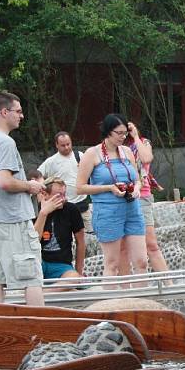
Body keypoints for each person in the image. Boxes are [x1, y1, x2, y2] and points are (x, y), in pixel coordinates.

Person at [0, 91, 46, 306]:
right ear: (4, 112)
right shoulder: (5, 143)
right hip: (12, 219)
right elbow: (5, 182)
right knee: (32, 277)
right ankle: (40, 334)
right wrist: (31, 186)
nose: (22, 116)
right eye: (18, 111)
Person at [76, 114, 147, 285]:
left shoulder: (128, 151)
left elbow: (138, 179)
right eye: (119, 133)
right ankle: (111, 306)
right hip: (107, 211)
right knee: (112, 263)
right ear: (108, 132)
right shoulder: (92, 154)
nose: (123, 137)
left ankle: (142, 303)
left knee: (141, 262)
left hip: (132, 209)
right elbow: (79, 187)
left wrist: (137, 187)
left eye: (125, 133)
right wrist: (108, 188)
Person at [118, 121, 168, 275]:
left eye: (127, 130)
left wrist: (135, 136)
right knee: (123, 247)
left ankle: (169, 283)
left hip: (142, 196)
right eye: (120, 131)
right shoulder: (115, 148)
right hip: (121, 197)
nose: (124, 133)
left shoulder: (143, 142)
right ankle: (127, 288)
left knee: (151, 244)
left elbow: (146, 159)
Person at [34, 177, 86, 290]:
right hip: (38, 262)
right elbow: (33, 241)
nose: (64, 199)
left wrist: (78, 271)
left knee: (74, 279)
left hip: (61, 265)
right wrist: (43, 213)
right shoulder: (34, 210)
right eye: (59, 195)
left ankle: (43, 294)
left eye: (64, 194)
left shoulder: (71, 210)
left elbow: (81, 242)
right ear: (45, 194)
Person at [38, 131, 92, 233]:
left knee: (90, 235)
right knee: (65, 236)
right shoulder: (51, 161)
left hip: (82, 205)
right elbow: (38, 175)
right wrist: (43, 193)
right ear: (56, 145)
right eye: (63, 145)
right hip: (62, 206)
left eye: (68, 144)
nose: (66, 147)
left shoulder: (80, 156)